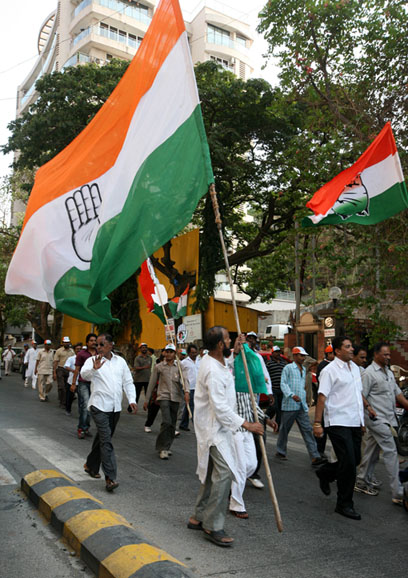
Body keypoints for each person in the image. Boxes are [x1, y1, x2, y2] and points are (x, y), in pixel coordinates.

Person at [187, 327, 264, 547]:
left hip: (219, 429)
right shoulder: (211, 368)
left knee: (213, 472)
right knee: (224, 474)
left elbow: (227, 367)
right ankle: (212, 525)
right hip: (214, 430)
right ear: (220, 344)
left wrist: (237, 350)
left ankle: (198, 516)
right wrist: (246, 424)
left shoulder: (217, 362)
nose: (231, 341)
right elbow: (219, 408)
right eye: (229, 339)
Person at [314, 336, 367, 520]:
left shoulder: (355, 369)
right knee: (350, 464)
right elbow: (321, 397)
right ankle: (344, 503)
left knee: (355, 459)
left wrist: (361, 421)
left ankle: (326, 472)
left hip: (354, 422)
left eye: (352, 346)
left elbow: (356, 395)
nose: (352, 349)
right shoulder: (330, 371)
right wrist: (317, 423)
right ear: (337, 351)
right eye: (347, 347)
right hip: (337, 422)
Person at [81, 333, 137, 491]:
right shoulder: (92, 360)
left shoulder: (120, 362)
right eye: (96, 345)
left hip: (115, 408)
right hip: (99, 406)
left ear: (111, 345)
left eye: (101, 344)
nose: (97, 347)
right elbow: (83, 375)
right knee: (106, 441)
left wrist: (132, 399)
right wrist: (94, 368)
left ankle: (90, 465)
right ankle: (110, 478)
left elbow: (127, 381)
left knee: (102, 439)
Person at [355, 343, 408, 504]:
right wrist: (369, 409)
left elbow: (397, 393)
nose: (388, 357)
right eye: (385, 354)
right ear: (376, 355)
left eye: (389, 354)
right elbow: (360, 395)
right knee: (391, 452)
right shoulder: (369, 374)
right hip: (376, 419)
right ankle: (398, 492)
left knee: (372, 450)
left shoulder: (388, 373)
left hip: (389, 418)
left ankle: (362, 479)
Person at [275, 346, 326, 467]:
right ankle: (280, 450)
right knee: (284, 429)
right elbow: (283, 383)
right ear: (295, 356)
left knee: (307, 430)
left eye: (304, 356)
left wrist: (305, 400)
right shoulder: (288, 368)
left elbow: (303, 387)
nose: (303, 358)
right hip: (289, 404)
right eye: (301, 355)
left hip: (301, 405)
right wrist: (291, 395)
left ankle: (315, 456)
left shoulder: (303, 369)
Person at [144, 343, 189, 459]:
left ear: (174, 354)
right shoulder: (159, 367)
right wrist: (147, 399)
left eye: (171, 352)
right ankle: (162, 448)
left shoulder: (180, 366)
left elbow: (185, 380)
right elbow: (152, 383)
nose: (168, 354)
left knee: (173, 424)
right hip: (163, 396)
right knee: (167, 421)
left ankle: (167, 447)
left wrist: (187, 392)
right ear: (164, 353)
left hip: (176, 397)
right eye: (167, 351)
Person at [246, 331, 274, 489]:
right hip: (238, 412)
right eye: (247, 340)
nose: (250, 342)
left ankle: (253, 472)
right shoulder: (235, 360)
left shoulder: (257, 358)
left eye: (253, 340)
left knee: (259, 440)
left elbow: (265, 375)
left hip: (254, 406)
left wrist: (268, 391)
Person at [71, 333, 97, 439]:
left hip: (95, 383)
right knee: (85, 405)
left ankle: (86, 427)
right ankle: (81, 428)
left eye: (95, 340)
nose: (93, 342)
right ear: (87, 342)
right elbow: (77, 369)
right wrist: (73, 383)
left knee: (90, 407)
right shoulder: (81, 354)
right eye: (91, 340)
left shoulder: (99, 354)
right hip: (83, 383)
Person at [179, 344, 200, 431]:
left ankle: (183, 424)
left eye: (195, 352)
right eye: (192, 353)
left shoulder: (200, 361)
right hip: (189, 388)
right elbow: (181, 375)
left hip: (198, 387)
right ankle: (196, 425)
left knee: (189, 406)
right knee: (192, 406)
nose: (194, 354)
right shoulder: (184, 363)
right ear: (188, 353)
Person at [265, 345, 287, 428]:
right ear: (272, 353)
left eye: (279, 352)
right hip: (273, 389)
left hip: (281, 389)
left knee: (280, 410)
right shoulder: (269, 364)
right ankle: (264, 419)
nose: (278, 354)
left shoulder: (283, 363)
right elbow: (266, 376)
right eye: (276, 352)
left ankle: (277, 426)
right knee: (273, 407)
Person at [53, 336, 74, 409]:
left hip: (68, 370)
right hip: (60, 369)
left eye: (67, 342)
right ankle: (62, 401)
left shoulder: (72, 351)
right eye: (65, 342)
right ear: (62, 343)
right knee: (61, 386)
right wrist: (54, 372)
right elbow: (55, 361)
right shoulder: (59, 351)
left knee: (67, 386)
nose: (66, 344)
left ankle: (65, 401)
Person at [63, 343, 82, 415]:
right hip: (71, 381)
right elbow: (66, 366)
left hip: (80, 381)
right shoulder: (71, 359)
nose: (79, 351)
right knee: (70, 397)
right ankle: (68, 409)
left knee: (81, 398)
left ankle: (81, 412)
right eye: (77, 349)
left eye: (80, 349)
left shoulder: (84, 359)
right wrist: (73, 370)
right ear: (74, 350)